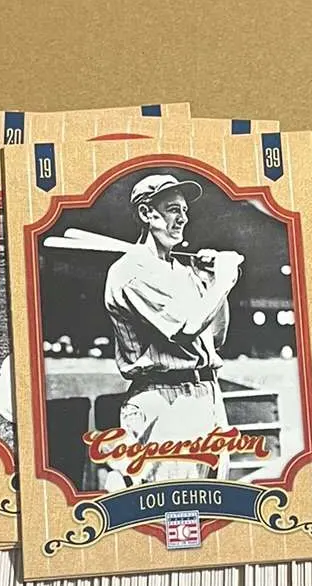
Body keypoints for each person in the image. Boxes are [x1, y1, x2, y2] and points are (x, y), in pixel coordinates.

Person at [99, 172, 246, 488]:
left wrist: (210, 281)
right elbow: (185, 329)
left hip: (207, 394)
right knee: (173, 506)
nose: (183, 219)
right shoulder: (131, 270)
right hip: (164, 401)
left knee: (212, 502)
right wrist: (224, 281)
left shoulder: (183, 270)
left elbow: (216, 336)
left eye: (184, 210)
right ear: (146, 213)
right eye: (172, 210)